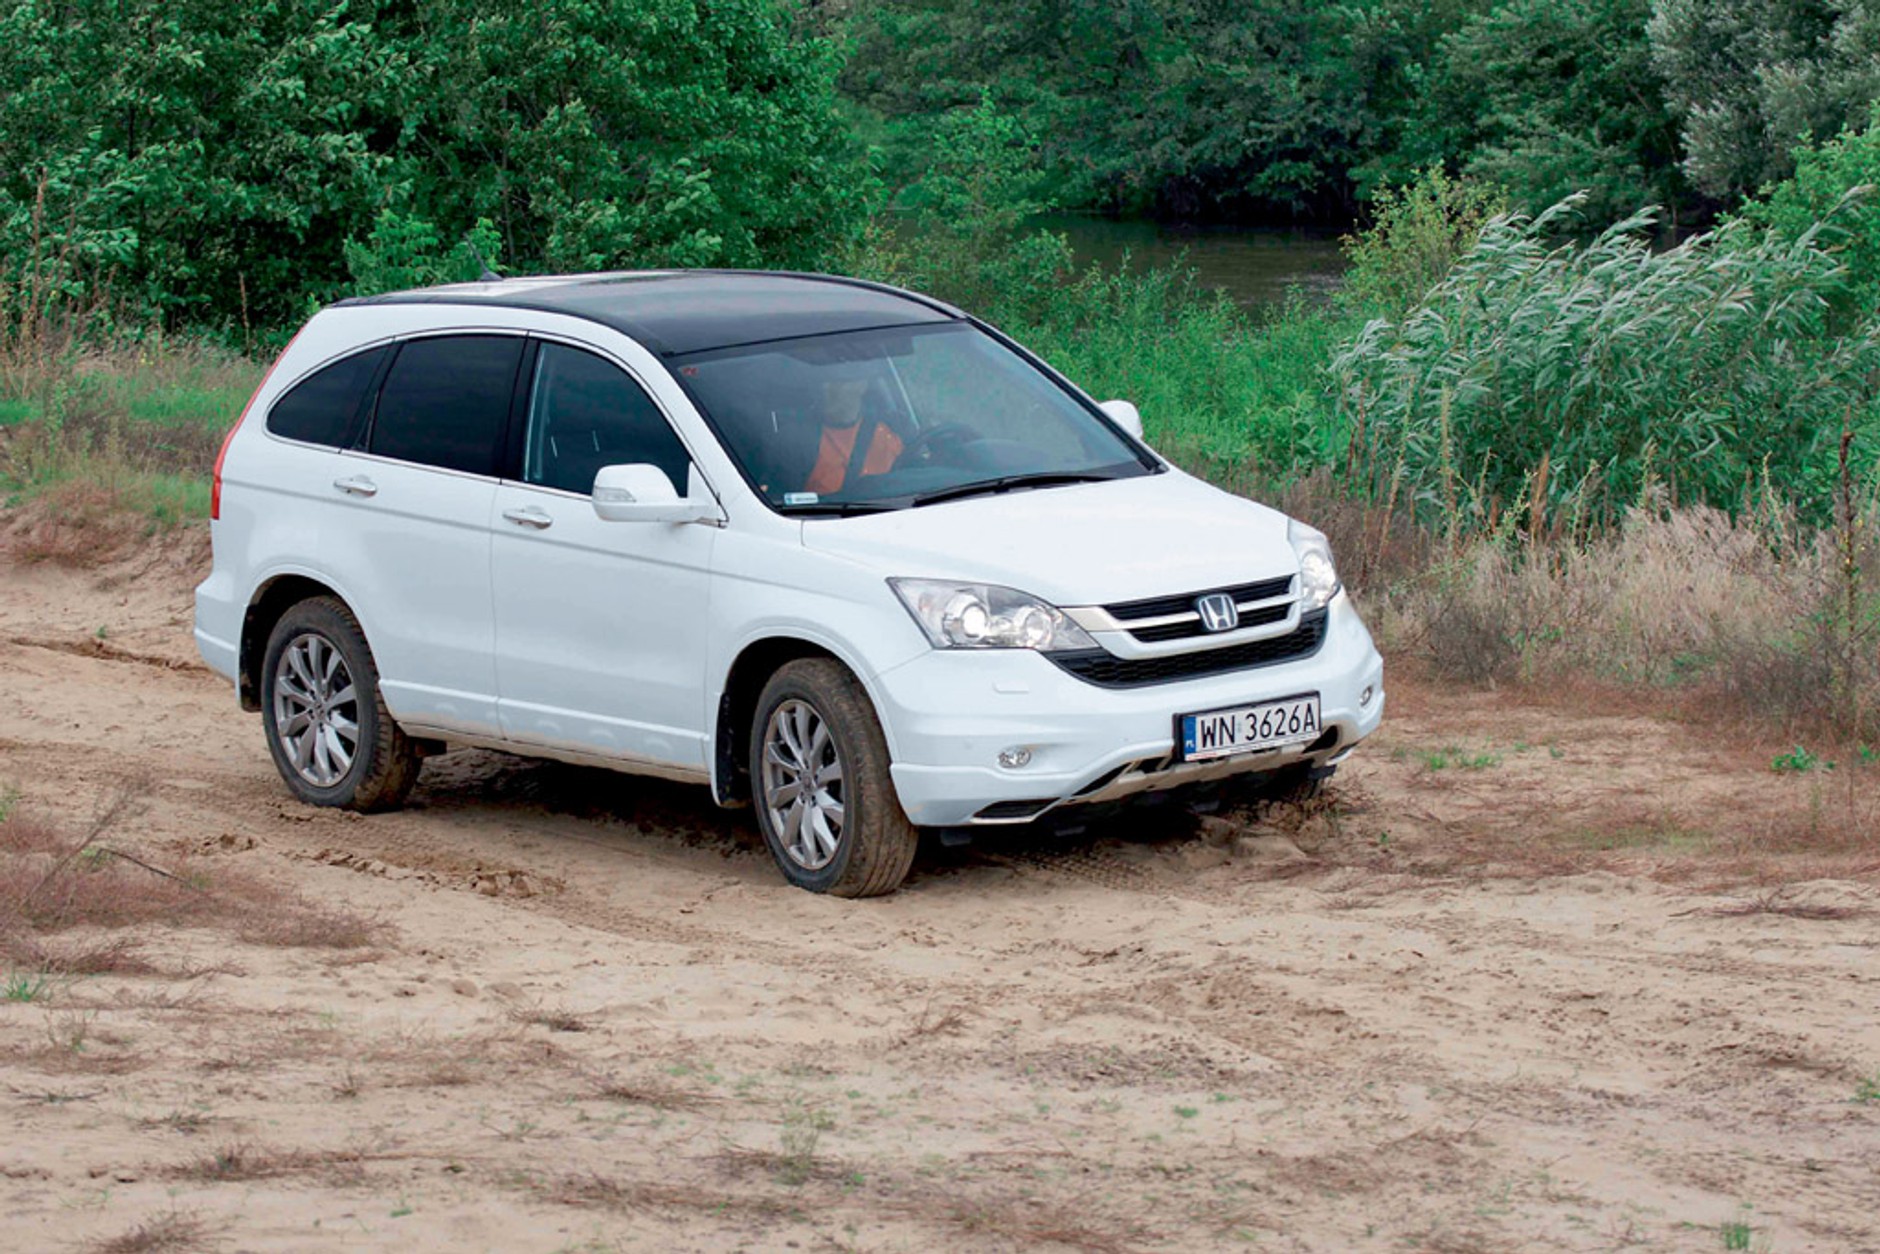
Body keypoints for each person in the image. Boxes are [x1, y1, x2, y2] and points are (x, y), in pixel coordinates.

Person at [802, 369, 903, 495]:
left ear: (861, 385)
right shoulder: (799, 441)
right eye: (822, 381)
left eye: (837, 381)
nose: (826, 387)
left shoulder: (890, 435)